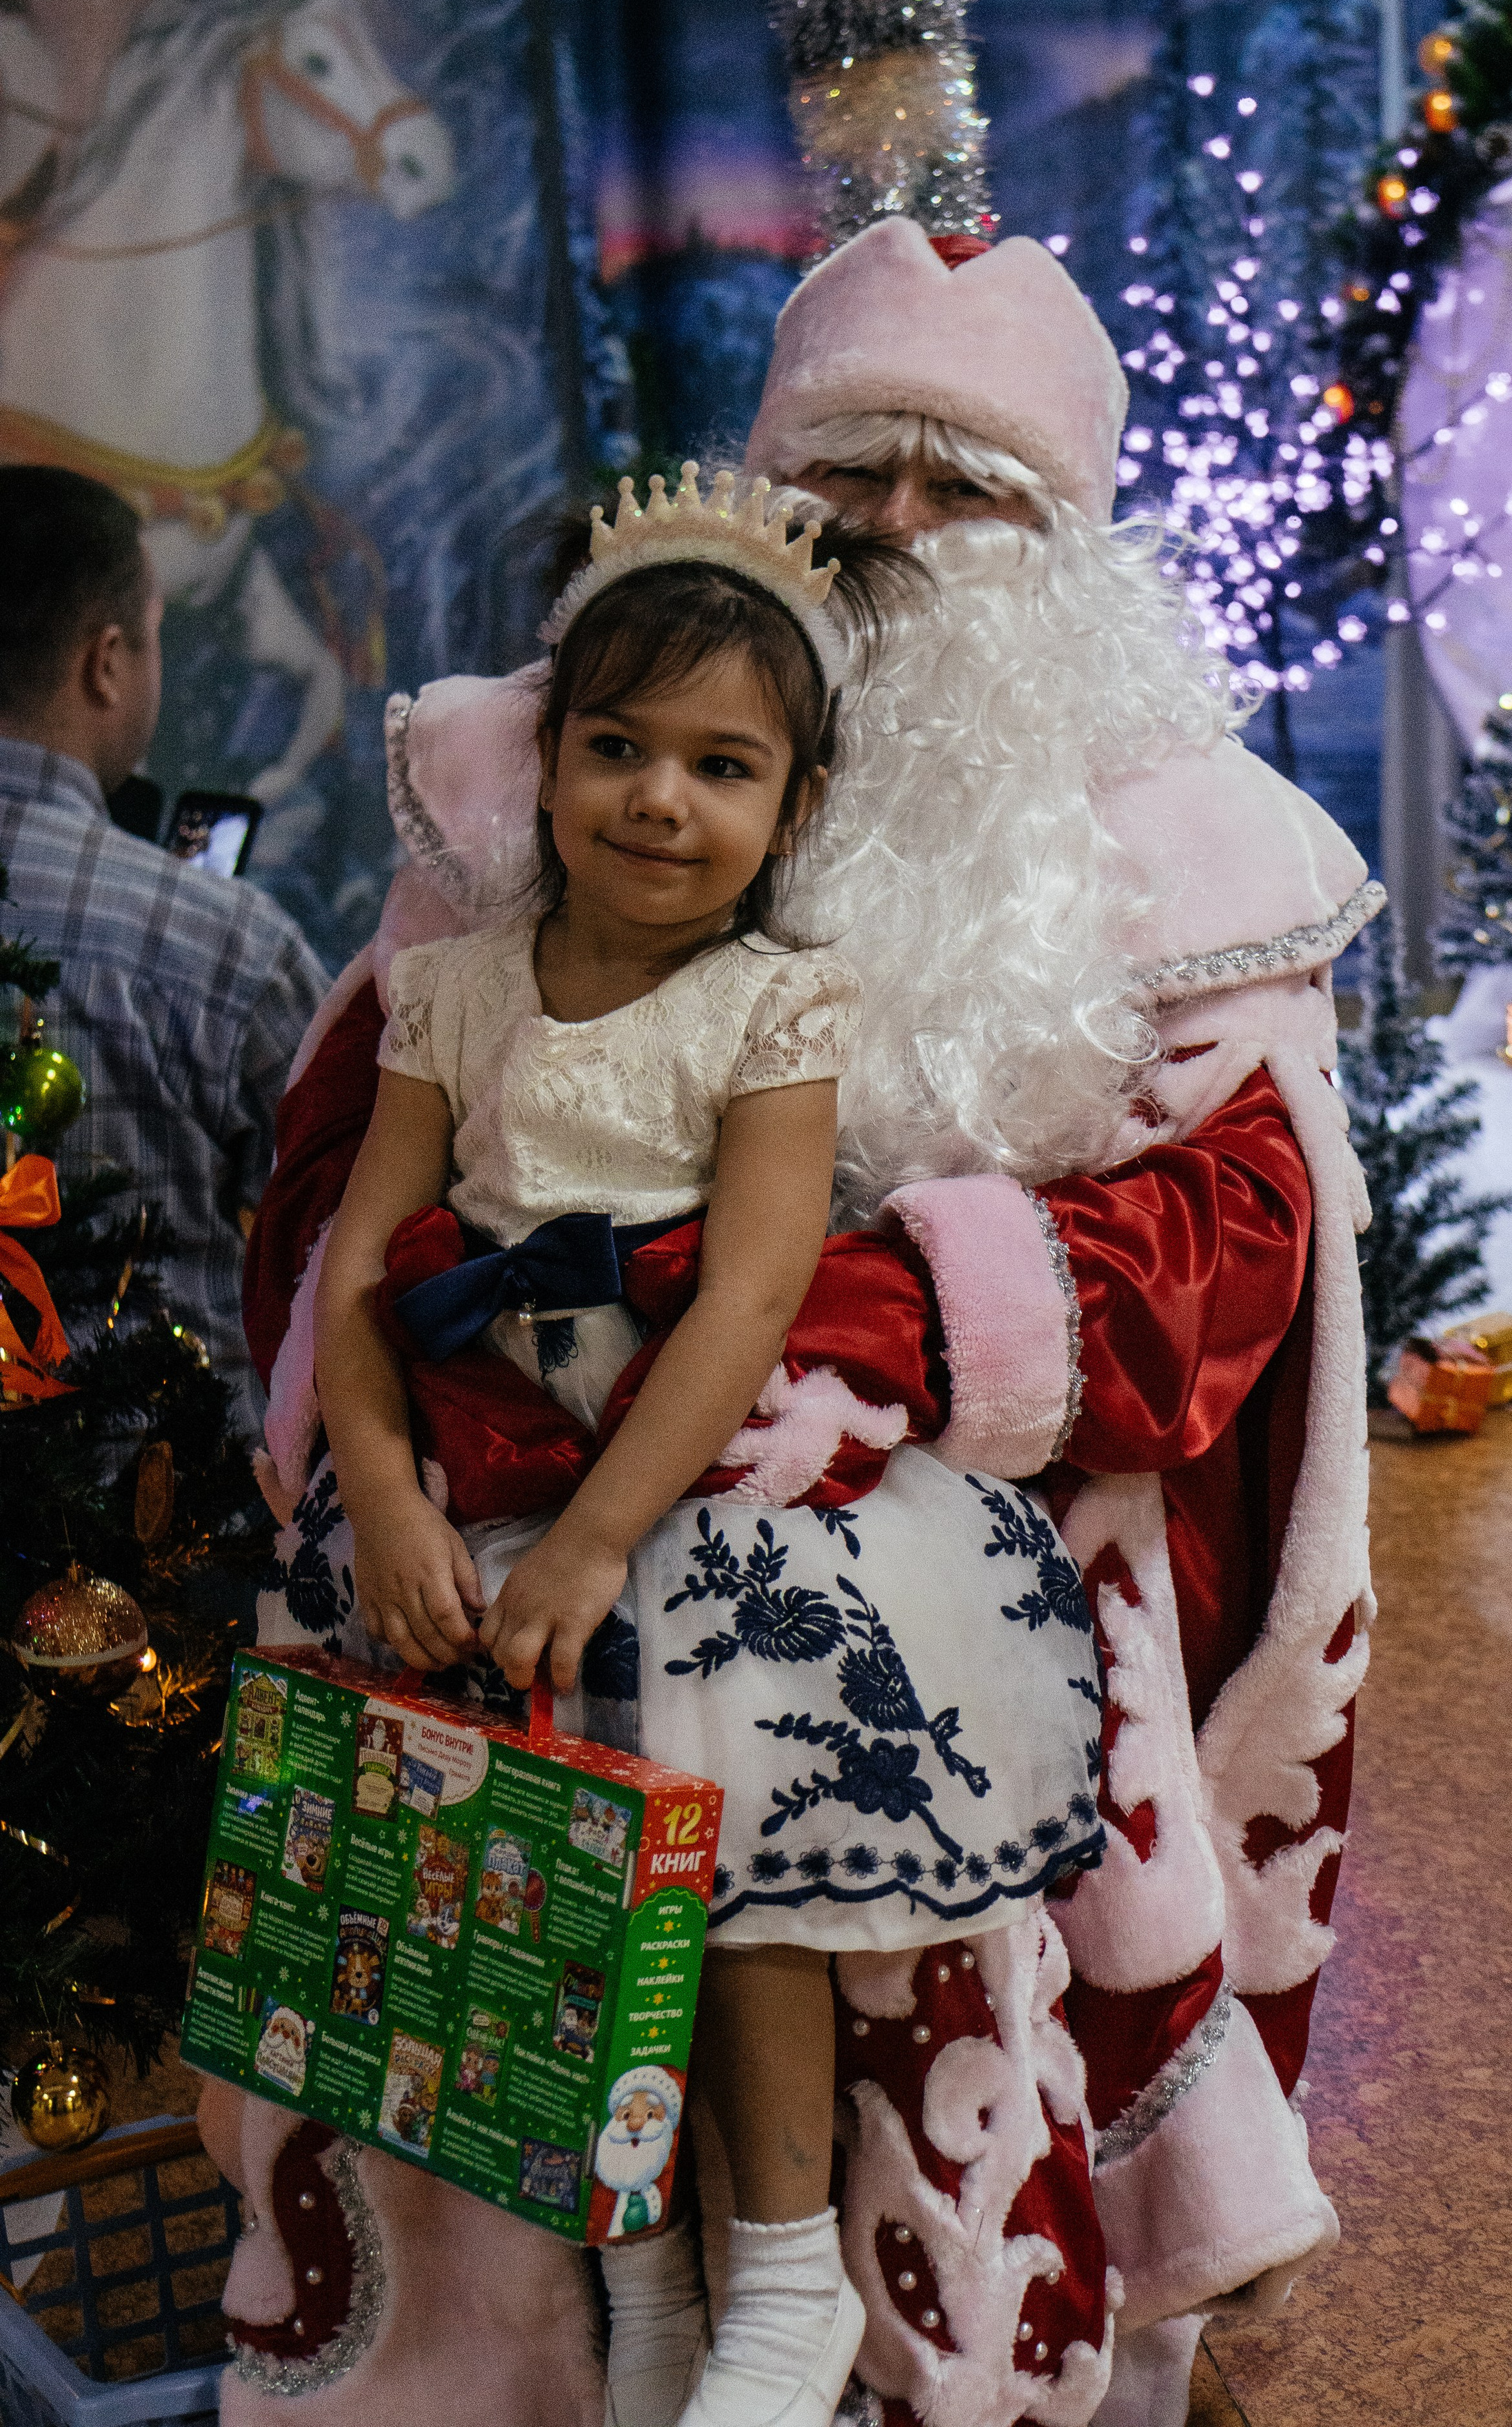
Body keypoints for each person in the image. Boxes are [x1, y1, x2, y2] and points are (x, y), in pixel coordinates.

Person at [207, 220, 1378, 2427]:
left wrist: (896, 1319)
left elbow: (1237, 1259)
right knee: (507, 1975)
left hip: (964, 1561)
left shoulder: (1205, 860)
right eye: (855, 470)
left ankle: (802, 2316)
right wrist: (409, 1446)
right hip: (503, 1513)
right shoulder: (523, 795)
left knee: (813, 1925)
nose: (902, 531)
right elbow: (336, 1188)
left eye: (970, 483)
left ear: (1072, 538)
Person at [312, 467, 1104, 2427]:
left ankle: (781, 2281)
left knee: (741, 1866)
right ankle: (636, 2268)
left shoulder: (777, 1002)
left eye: (723, 767)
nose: (662, 800)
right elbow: (356, 1276)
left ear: (793, 811)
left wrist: (595, 1544)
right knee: (542, 1878)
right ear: (551, 764)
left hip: (698, 1486)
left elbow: (750, 1296)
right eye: (619, 749)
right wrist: (393, 1495)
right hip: (487, 1466)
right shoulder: (452, 993)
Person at [0, 465, 328, 1407]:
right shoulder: (221, 942)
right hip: (174, 1515)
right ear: (106, 662)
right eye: (151, 640)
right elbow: (347, 1226)